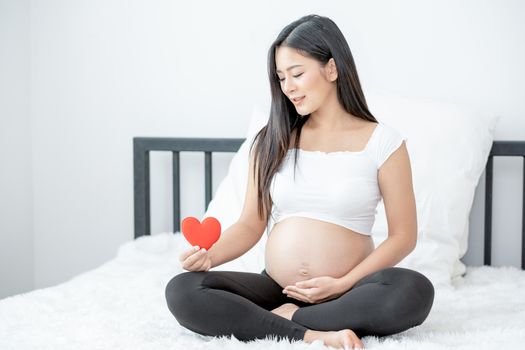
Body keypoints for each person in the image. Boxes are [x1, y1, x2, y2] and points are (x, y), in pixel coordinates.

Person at [165, 14, 434, 350]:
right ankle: (311, 333)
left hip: (349, 292)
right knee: (183, 290)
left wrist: (342, 283)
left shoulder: (383, 142)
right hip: (277, 289)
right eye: (280, 78)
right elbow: (251, 224)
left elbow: (403, 237)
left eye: (297, 74)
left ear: (332, 69)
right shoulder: (272, 140)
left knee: (414, 290)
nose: (287, 87)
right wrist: (210, 257)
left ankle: (287, 321)